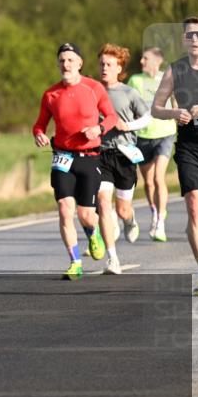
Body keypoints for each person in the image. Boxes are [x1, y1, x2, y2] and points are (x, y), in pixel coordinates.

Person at [33, 42, 119, 280]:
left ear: (80, 63)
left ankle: (93, 232)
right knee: (64, 209)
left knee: (86, 215)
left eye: (70, 60)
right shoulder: (51, 94)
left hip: (89, 157)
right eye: (62, 60)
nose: (66, 64)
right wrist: (39, 134)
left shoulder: (93, 88)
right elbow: (39, 124)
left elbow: (111, 117)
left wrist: (98, 129)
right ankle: (75, 262)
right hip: (62, 157)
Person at [151, 17, 198, 297]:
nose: (195, 39)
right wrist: (175, 113)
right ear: (184, 40)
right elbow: (156, 108)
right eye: (190, 35)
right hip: (190, 147)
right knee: (194, 208)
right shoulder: (175, 70)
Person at [95, 44, 151, 275]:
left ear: (119, 68)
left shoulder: (129, 93)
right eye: (101, 64)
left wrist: (128, 126)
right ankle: (113, 259)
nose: (104, 68)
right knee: (102, 202)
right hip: (101, 154)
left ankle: (129, 220)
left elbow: (147, 117)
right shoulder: (93, 91)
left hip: (125, 154)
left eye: (109, 64)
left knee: (122, 209)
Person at [127, 47, 178, 241]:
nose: (141, 61)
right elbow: (128, 105)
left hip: (165, 133)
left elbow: (176, 101)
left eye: (145, 58)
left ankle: (160, 222)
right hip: (142, 135)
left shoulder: (167, 78)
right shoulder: (135, 80)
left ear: (157, 61)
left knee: (158, 177)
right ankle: (155, 211)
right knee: (148, 182)